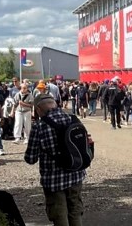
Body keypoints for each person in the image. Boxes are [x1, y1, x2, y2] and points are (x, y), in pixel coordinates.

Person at [24, 93, 87, 226]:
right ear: (55, 104)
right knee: (75, 211)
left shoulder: (40, 126)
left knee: (59, 214)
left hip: (53, 179)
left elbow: (30, 158)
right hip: (75, 173)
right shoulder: (73, 119)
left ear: (39, 109)